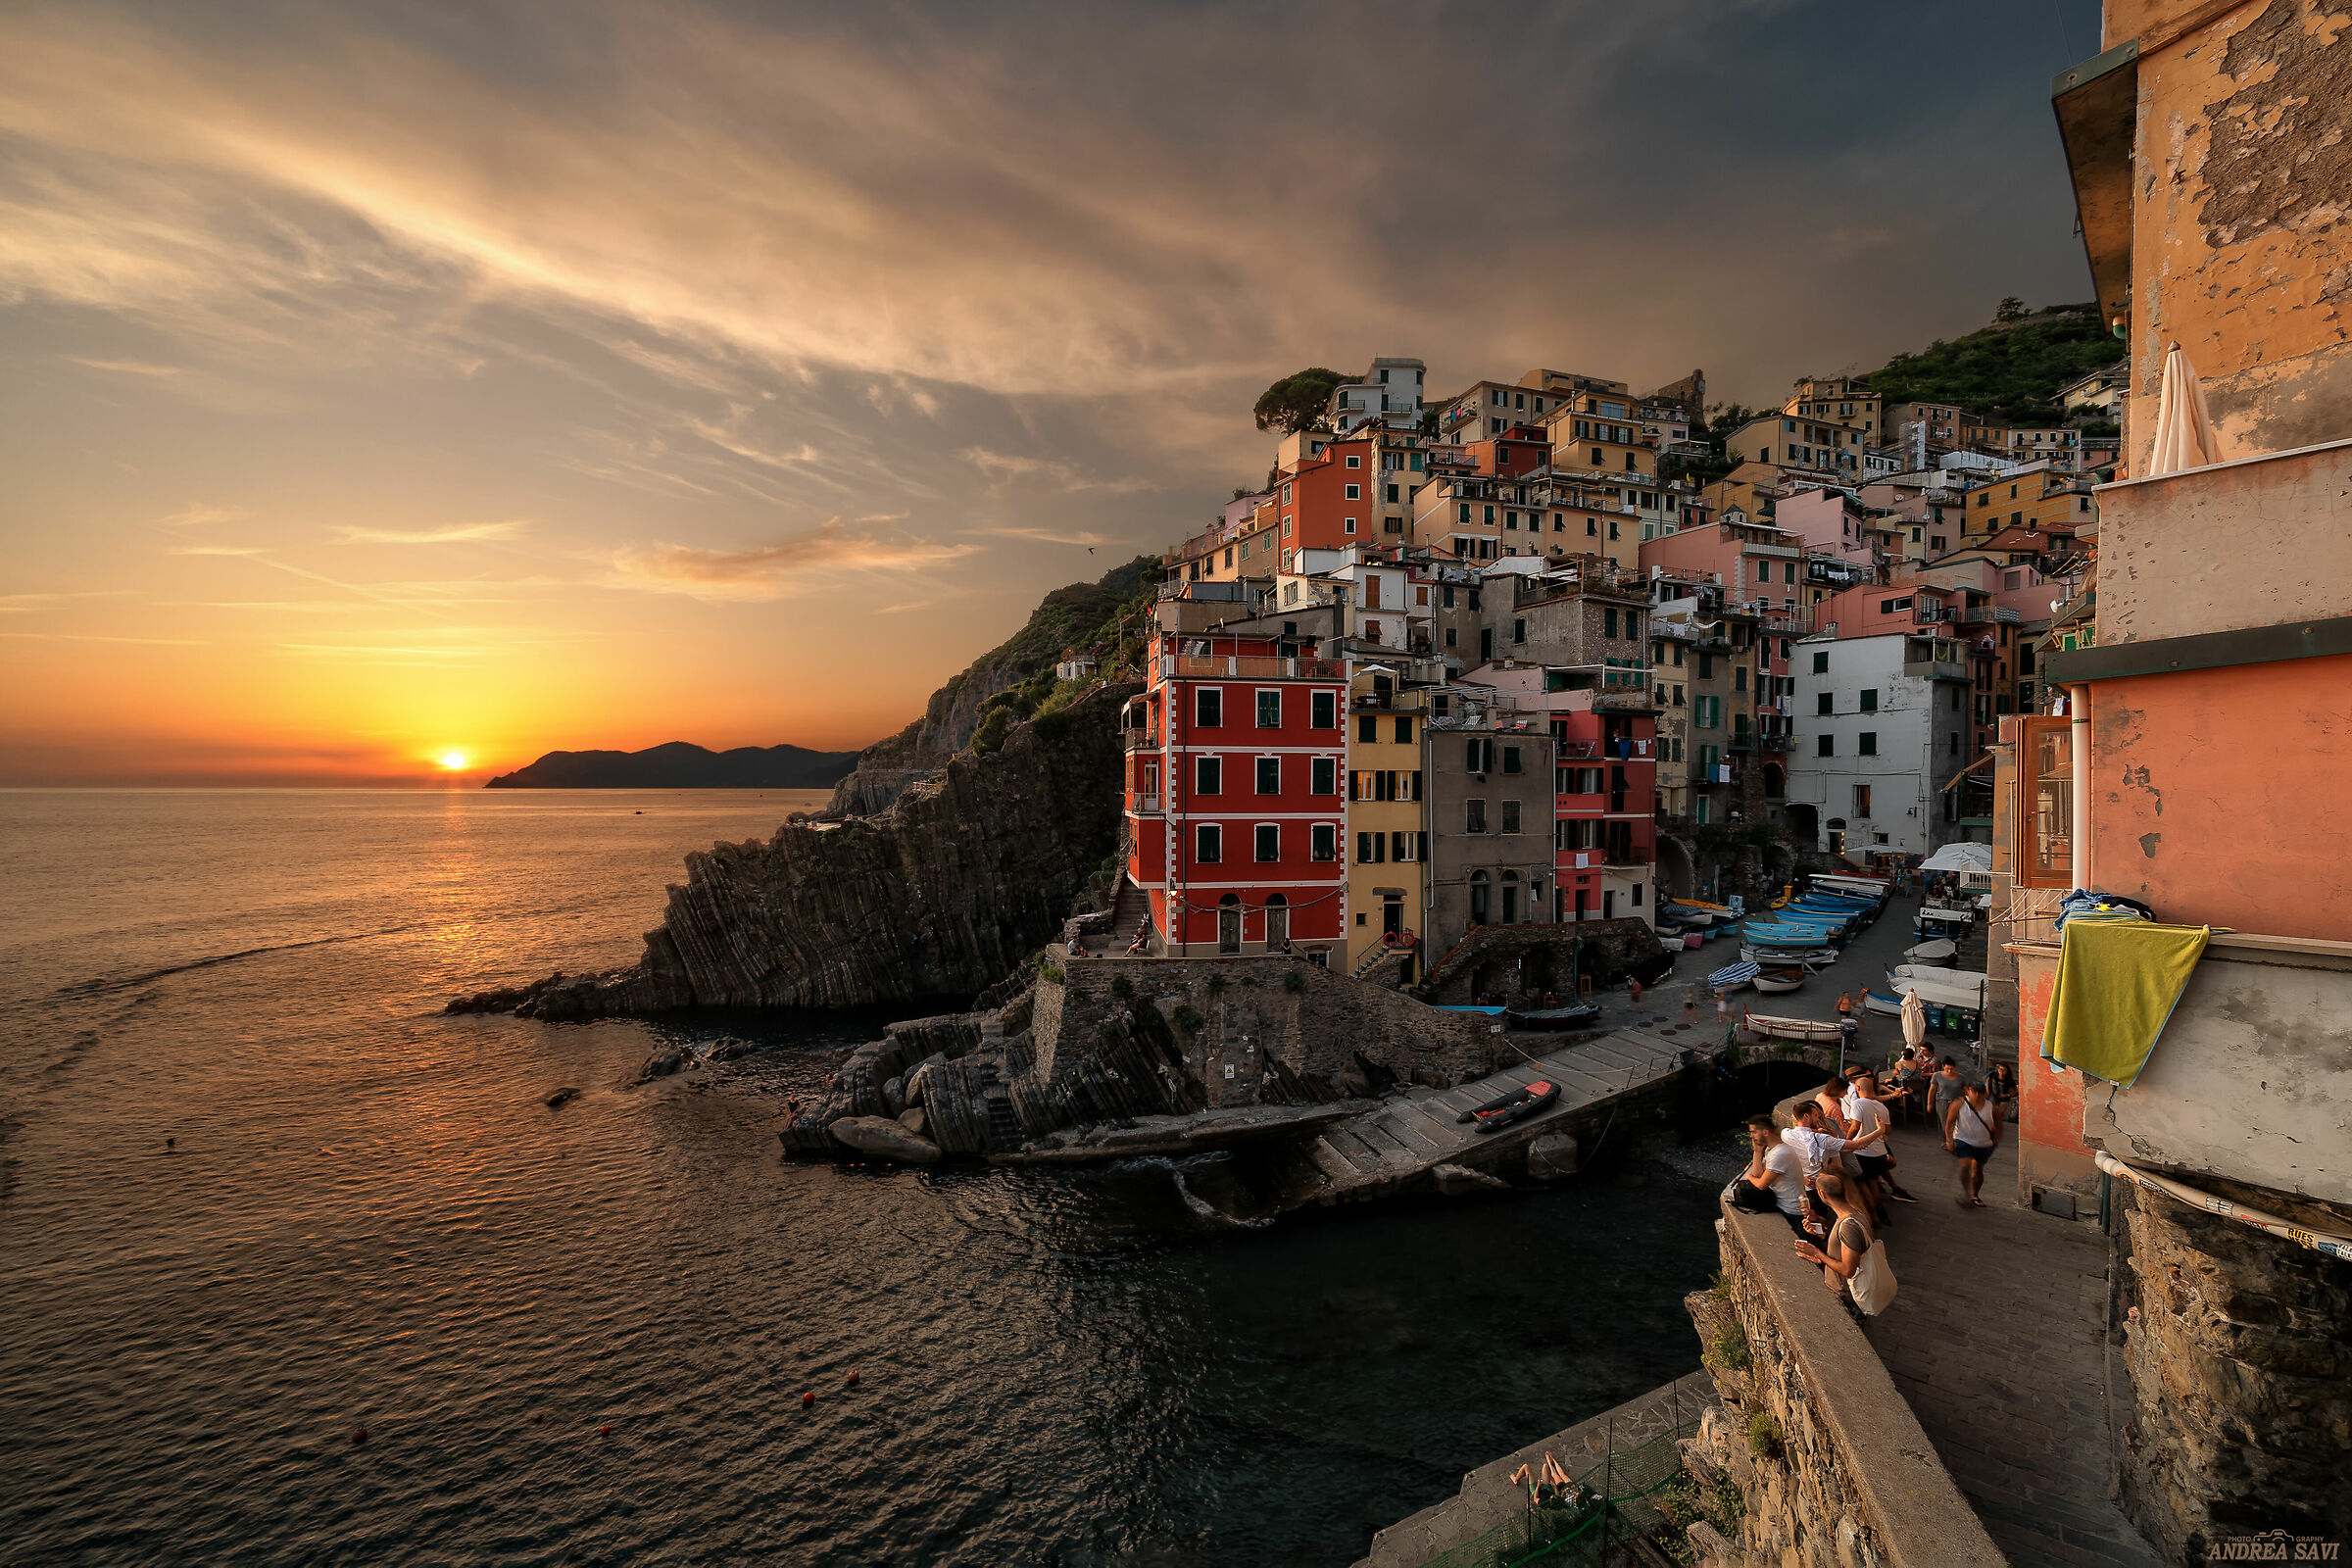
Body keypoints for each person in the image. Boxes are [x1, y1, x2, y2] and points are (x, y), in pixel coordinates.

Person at [1793, 1171, 1875, 1309]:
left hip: (1845, 1294)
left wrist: (1817, 1253)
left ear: (1822, 1194)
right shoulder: (1853, 1213)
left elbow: (1848, 1270)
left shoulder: (1849, 1225)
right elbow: (1841, 1244)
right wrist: (1820, 1223)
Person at [1843, 1069, 1917, 1208]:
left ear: (1858, 1088)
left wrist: (1847, 1143)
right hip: (1879, 1150)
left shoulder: (1857, 1104)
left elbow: (1854, 1127)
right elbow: (1888, 1131)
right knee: (1877, 1174)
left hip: (1863, 1151)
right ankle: (1894, 1191)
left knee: (1870, 1182)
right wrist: (1879, 1127)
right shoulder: (1882, 1108)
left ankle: (1877, 1211)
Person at [1728, 1115, 1807, 1232]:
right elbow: (1758, 1174)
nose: (1751, 1136)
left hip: (1791, 1211)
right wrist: (1757, 1151)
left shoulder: (1780, 1153)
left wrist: (1748, 1176)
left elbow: (1761, 1184)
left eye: (1754, 1132)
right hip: (1783, 1206)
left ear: (1765, 1132)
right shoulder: (1773, 1150)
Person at [1944, 1079, 2003, 1208]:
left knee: (1978, 1170)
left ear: (1984, 1093)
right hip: (1962, 1139)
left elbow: (1999, 1124)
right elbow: (1950, 1122)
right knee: (1965, 1165)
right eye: (1974, 1091)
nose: (1977, 1095)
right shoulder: (1958, 1104)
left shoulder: (1992, 1108)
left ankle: (1975, 1194)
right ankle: (1965, 1193)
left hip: (1983, 1143)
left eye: (1980, 1092)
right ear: (1968, 1091)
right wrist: (1949, 1140)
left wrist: (1997, 1139)